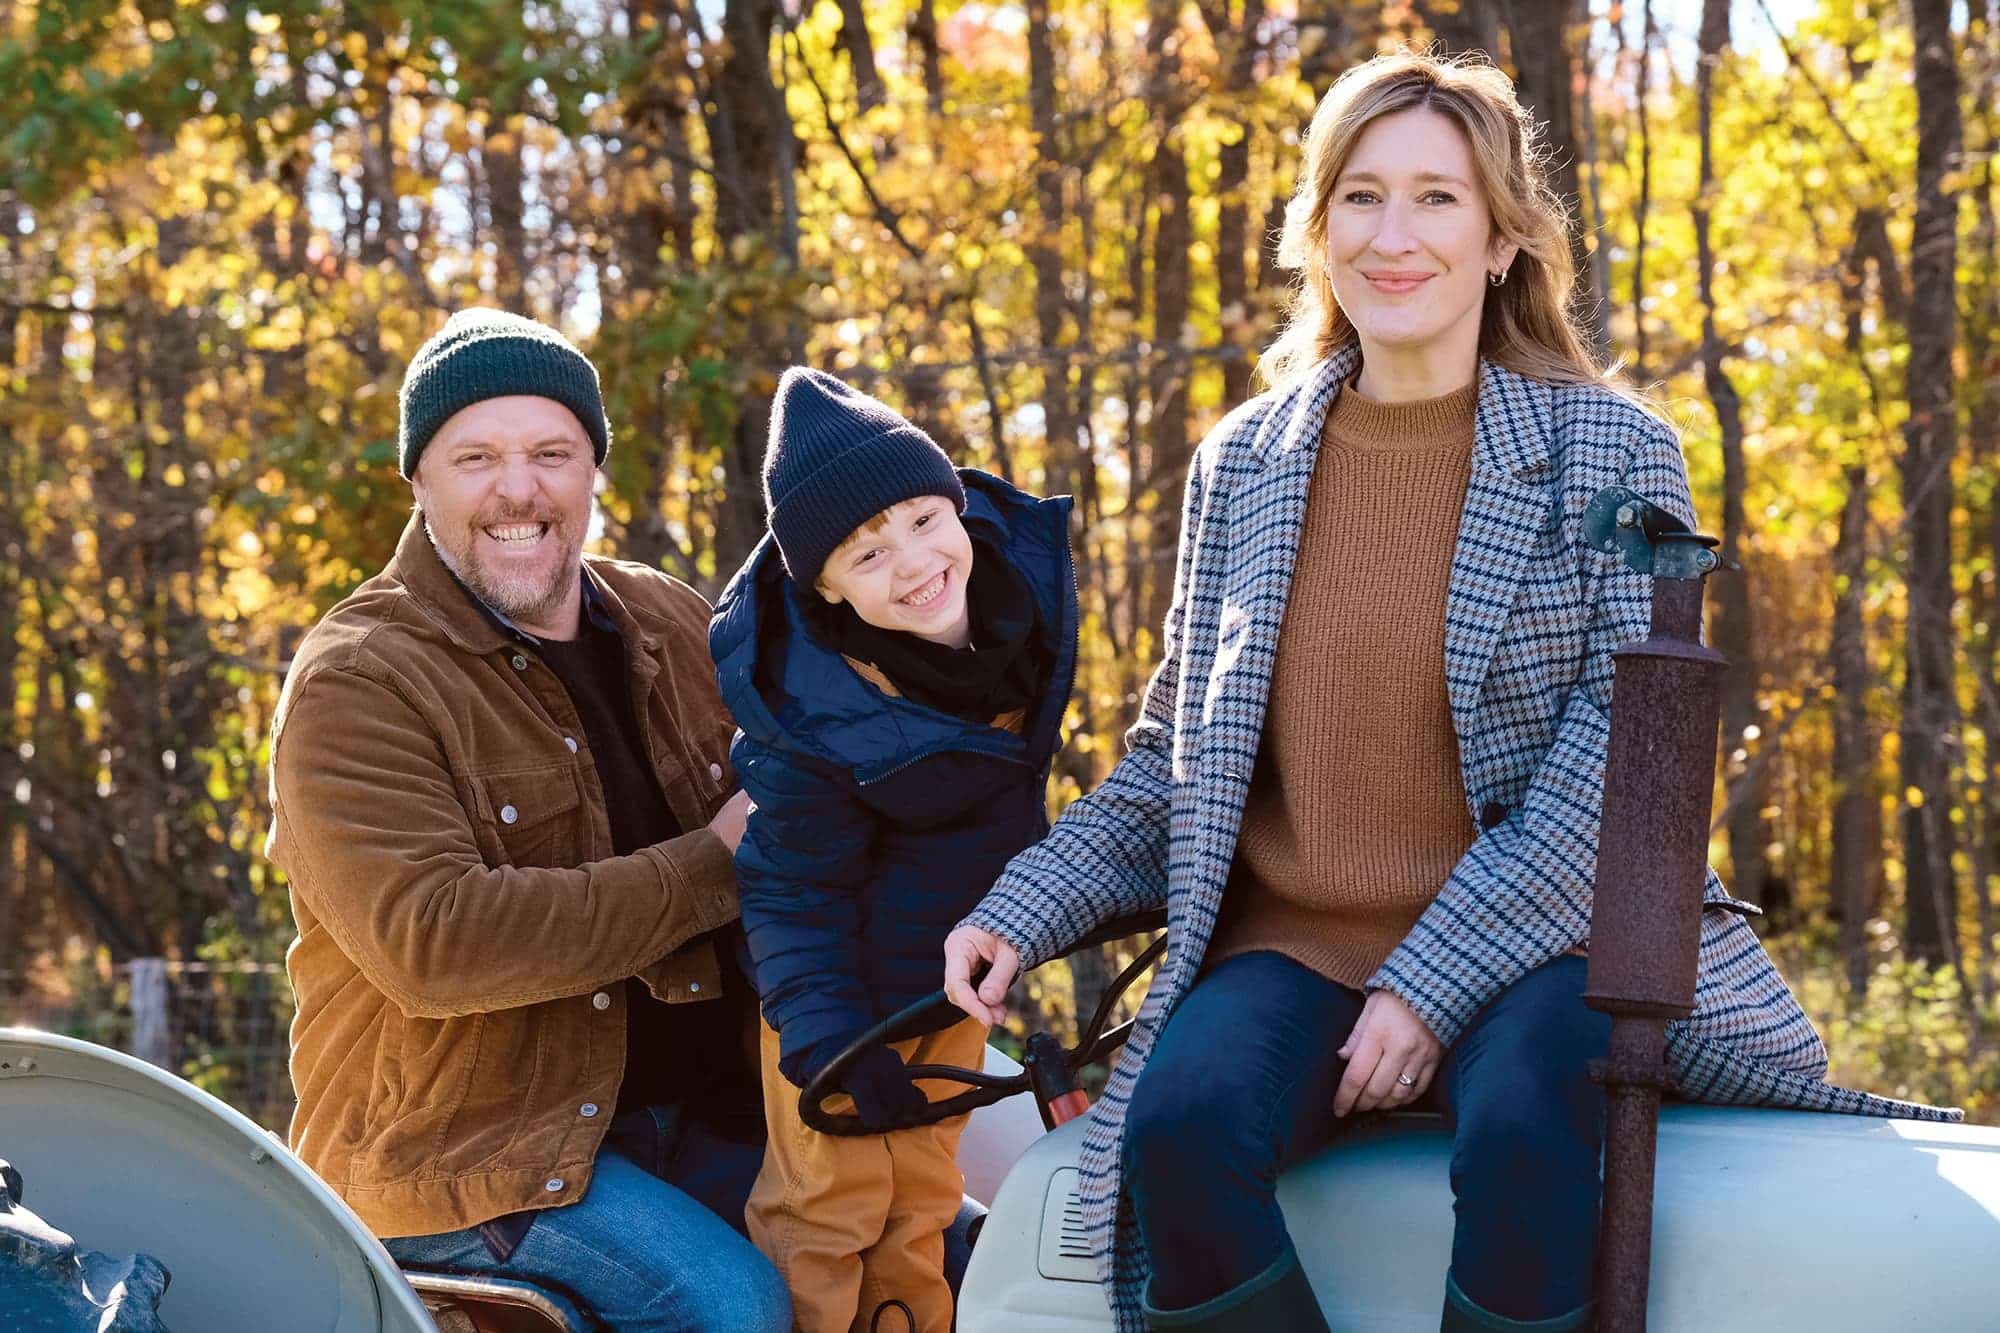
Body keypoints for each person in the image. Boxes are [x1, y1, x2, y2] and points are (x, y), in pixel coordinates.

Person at [942, 50, 1960, 1333]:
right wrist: (1020, 909)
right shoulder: (1240, 465)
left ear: (1498, 241)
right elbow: (1173, 759)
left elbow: (1619, 765)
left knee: (1529, 1131)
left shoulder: (1613, 451)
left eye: (1436, 198)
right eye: (1359, 197)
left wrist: (1429, 984)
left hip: (1551, 942)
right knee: (1179, 1129)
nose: (1394, 235)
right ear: (1318, 234)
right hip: (1297, 940)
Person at [267, 308, 789, 1333]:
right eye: (476, 457)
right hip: (465, 1155)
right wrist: (708, 866)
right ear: (418, 480)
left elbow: (810, 777)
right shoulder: (359, 680)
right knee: (737, 1311)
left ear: (593, 470)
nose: (519, 490)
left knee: (930, 1257)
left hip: (703, 1111)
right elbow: (436, 943)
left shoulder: (670, 621)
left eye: (551, 452)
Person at [709, 368, 1079, 1333]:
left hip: (950, 979)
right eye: (867, 554)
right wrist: (827, 1041)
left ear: (954, 501)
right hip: (834, 1001)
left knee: (921, 1197)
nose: (914, 560)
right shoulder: (811, 707)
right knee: (827, 1211)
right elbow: (789, 891)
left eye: (922, 517)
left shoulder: (1019, 607)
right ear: (823, 588)